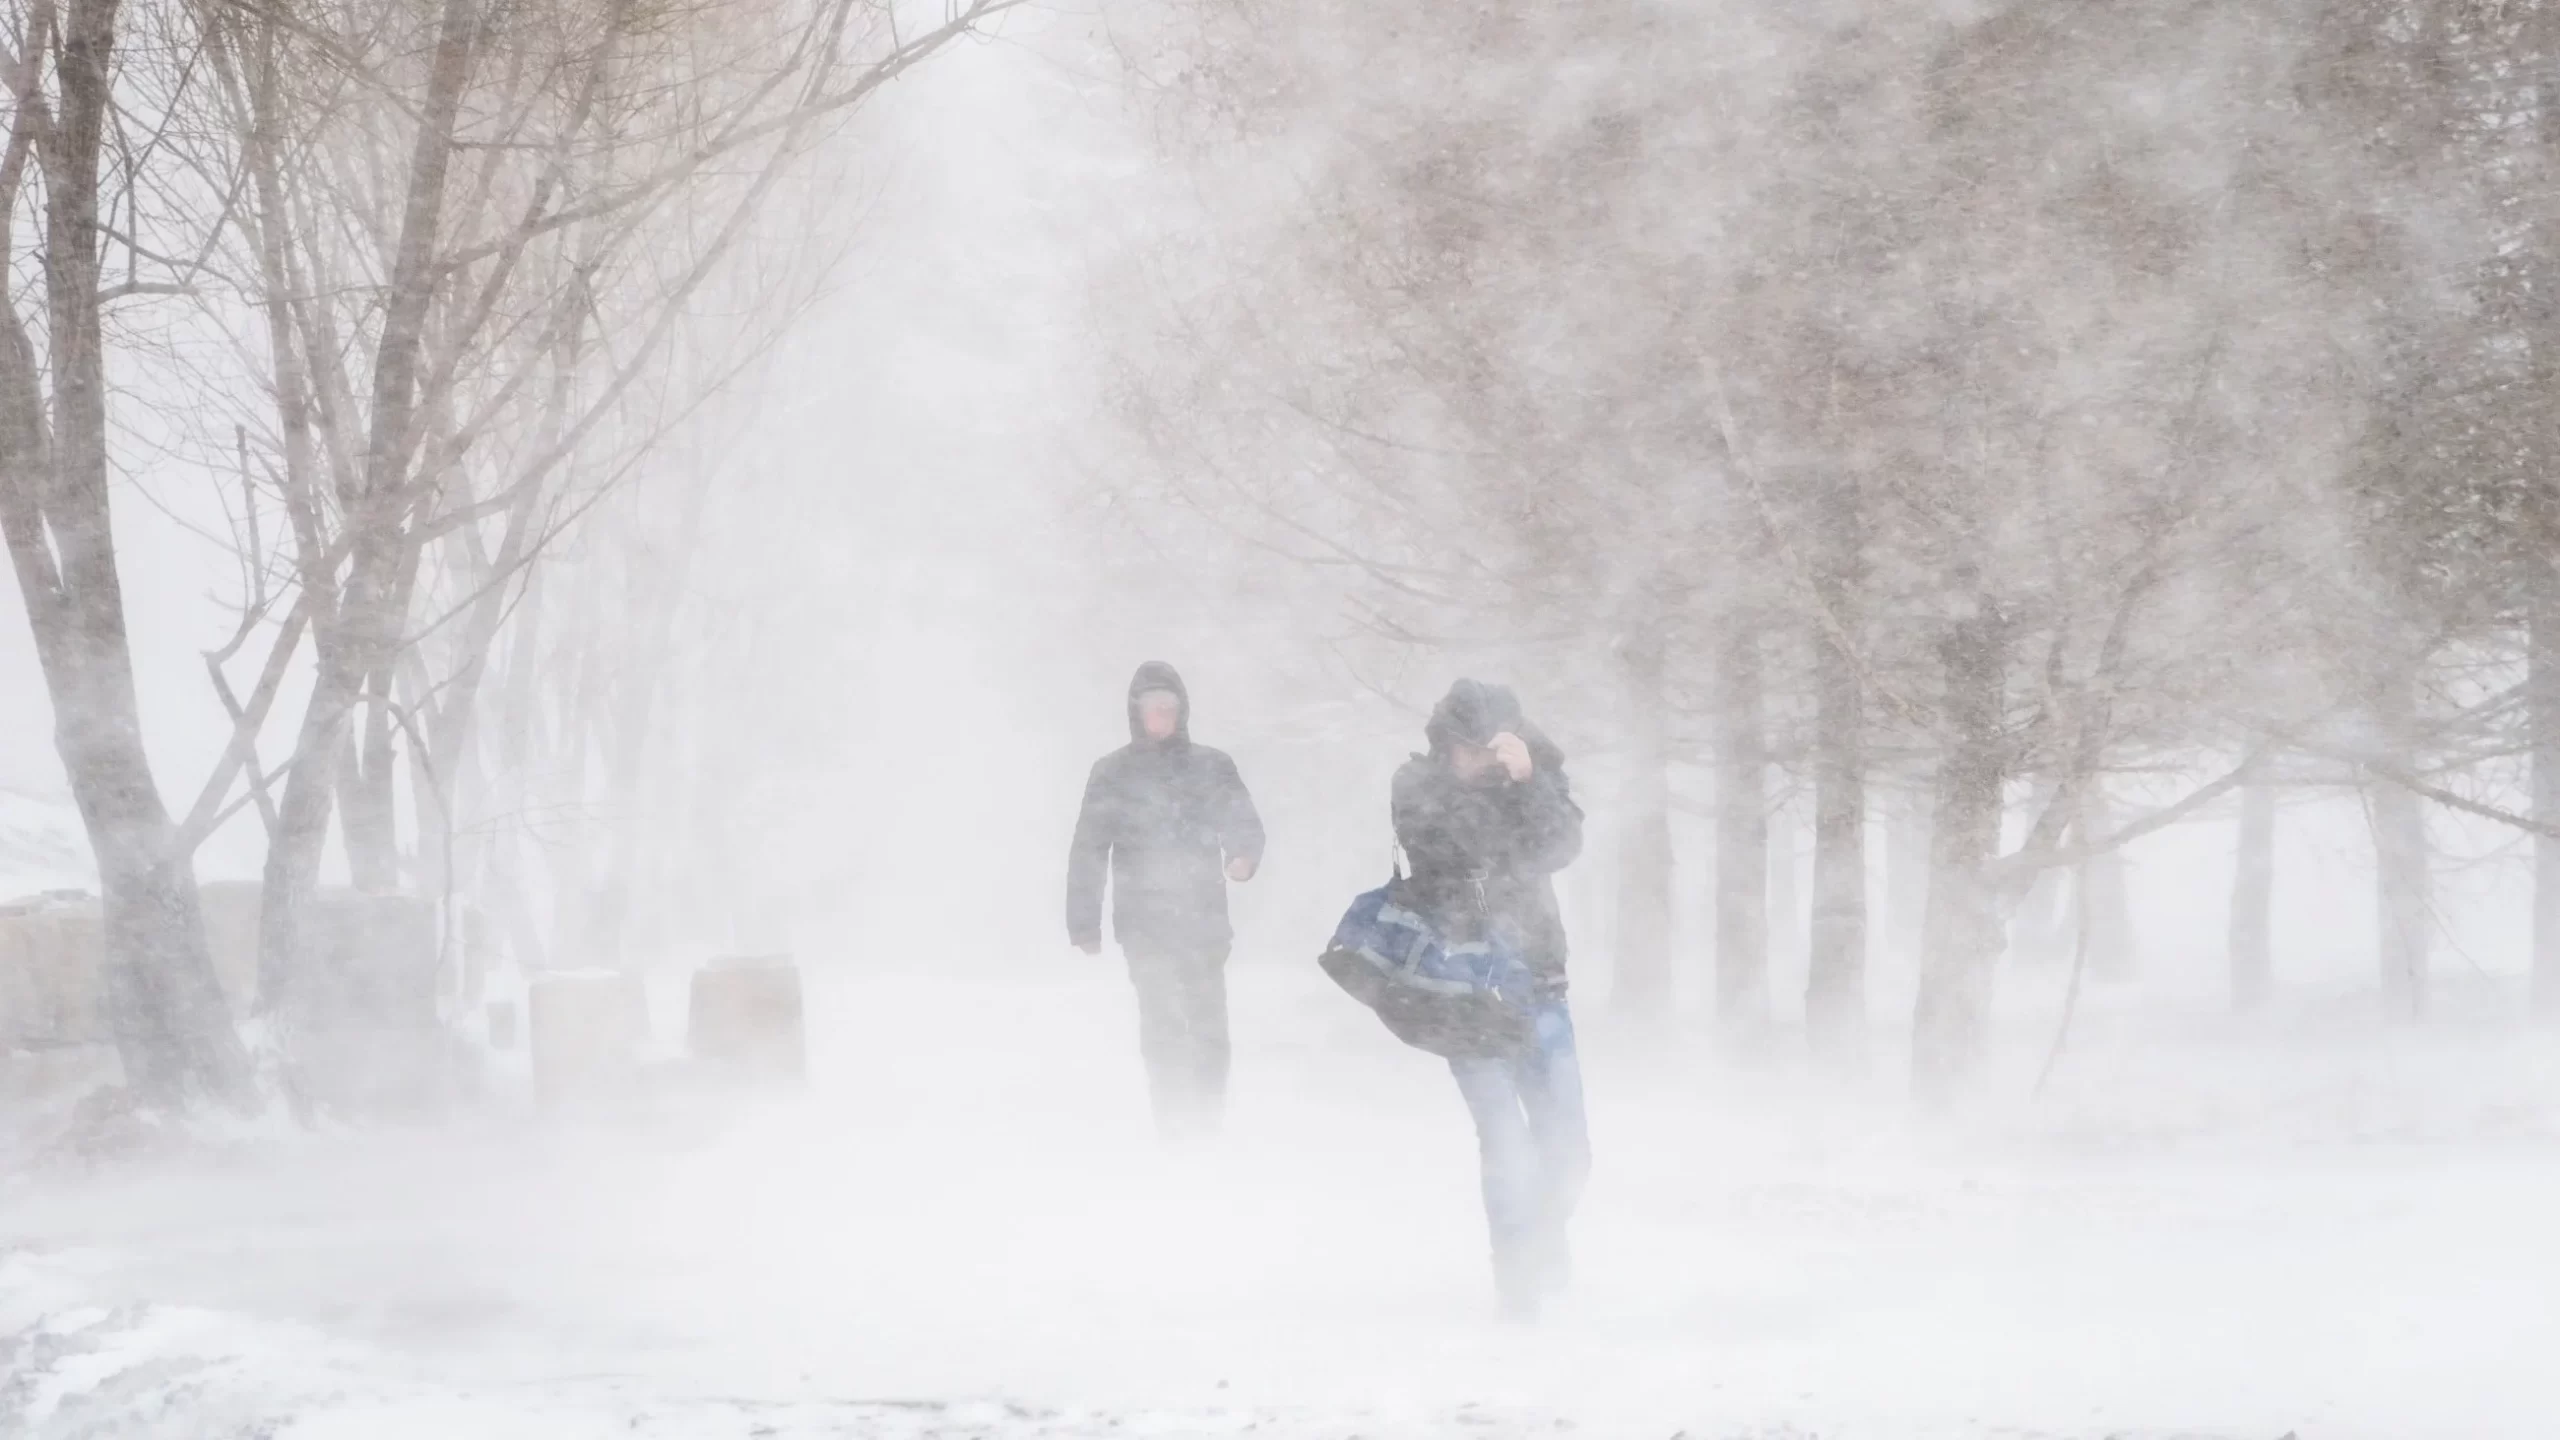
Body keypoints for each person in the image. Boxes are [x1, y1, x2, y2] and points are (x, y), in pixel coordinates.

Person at [1392, 678, 1587, 1320]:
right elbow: (1450, 852)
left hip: (1539, 980)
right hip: (1465, 990)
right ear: (1447, 744)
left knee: (1566, 1148)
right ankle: (1518, 1285)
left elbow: (1558, 848)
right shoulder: (1418, 785)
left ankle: (1545, 1240)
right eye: (1468, 747)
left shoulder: (1536, 777)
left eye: (1492, 746)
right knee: (1506, 1142)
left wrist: (1529, 778)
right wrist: (1486, 787)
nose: (1480, 758)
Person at [1066, 662, 1266, 1142]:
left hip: (1203, 921)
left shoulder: (1211, 766)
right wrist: (1083, 922)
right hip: (1143, 924)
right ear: (1135, 712)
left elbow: (1244, 822)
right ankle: (1175, 1129)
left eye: (1169, 706)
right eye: (1151, 706)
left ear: (1182, 711)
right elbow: (1089, 848)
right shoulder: (1112, 773)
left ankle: (1207, 1124)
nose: (1160, 715)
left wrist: (1242, 856)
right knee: (1162, 1023)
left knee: (1207, 1025)